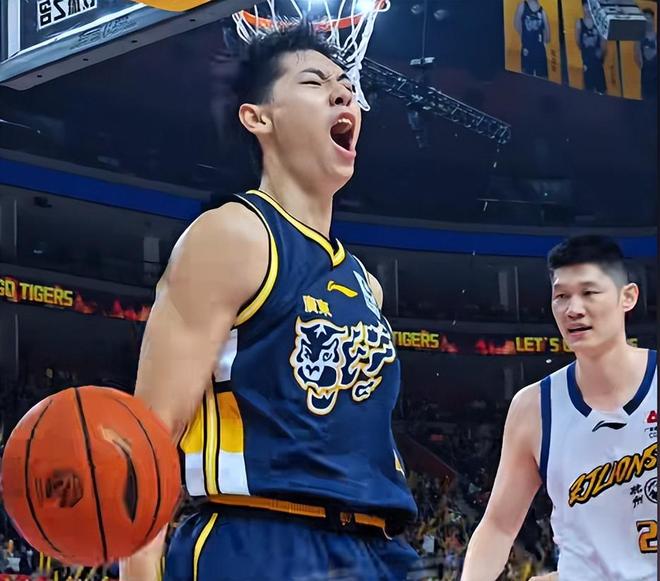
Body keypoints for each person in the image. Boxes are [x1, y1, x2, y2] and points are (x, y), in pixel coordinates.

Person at [120, 22, 418, 581]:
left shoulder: (365, 284)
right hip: (261, 538)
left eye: (345, 86)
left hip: (375, 548)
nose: (342, 94)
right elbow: (153, 434)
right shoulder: (232, 234)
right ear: (259, 118)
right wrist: (138, 569)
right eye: (314, 83)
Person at [461, 235, 657, 580]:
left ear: (627, 297)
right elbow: (499, 526)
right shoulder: (533, 407)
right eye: (561, 296)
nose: (573, 309)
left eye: (589, 292)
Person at [514, 0, 551, 79]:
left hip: (532, 49)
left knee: (533, 78)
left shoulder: (542, 11)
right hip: (533, 50)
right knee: (531, 78)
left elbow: (548, 37)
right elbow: (517, 25)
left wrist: (526, 37)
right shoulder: (523, 6)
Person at [576, 0, 607, 94]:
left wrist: (601, 52)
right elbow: (578, 42)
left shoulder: (599, 23)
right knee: (588, 90)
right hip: (587, 63)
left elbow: (603, 43)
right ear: (583, 7)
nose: (588, 9)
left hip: (598, 64)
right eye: (586, 7)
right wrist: (586, 51)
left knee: (602, 91)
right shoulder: (579, 23)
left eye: (590, 7)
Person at [634, 9, 657, 100]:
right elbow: (637, 58)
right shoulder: (639, 39)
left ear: (653, 19)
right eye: (645, 18)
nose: (647, 21)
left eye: (649, 18)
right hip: (646, 79)